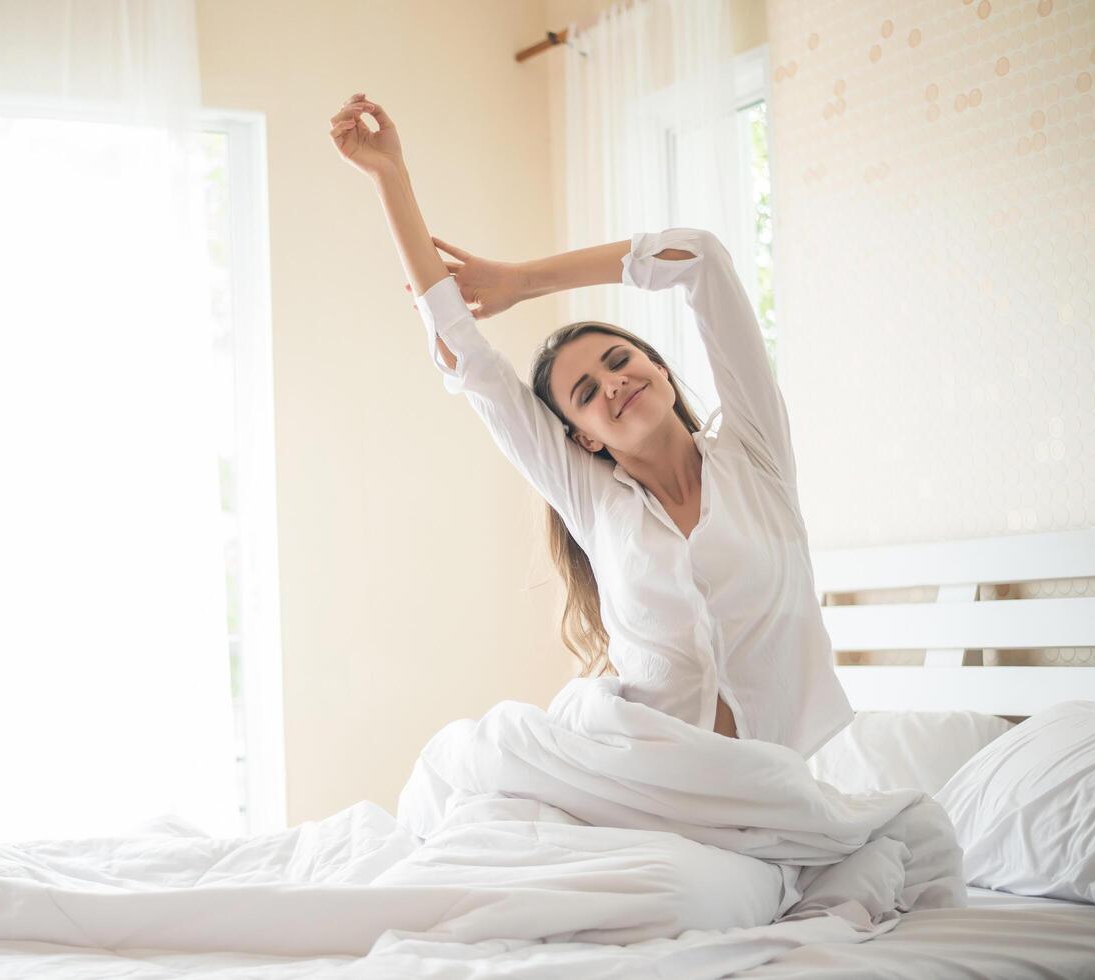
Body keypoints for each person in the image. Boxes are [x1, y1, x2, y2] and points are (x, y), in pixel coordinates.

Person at [328, 93, 853, 758]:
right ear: (583, 438)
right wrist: (390, 177)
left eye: (619, 361)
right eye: (585, 391)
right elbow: (468, 360)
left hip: (773, 789)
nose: (613, 383)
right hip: (641, 782)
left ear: (658, 370)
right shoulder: (595, 504)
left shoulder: (755, 457)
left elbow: (700, 258)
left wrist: (520, 281)